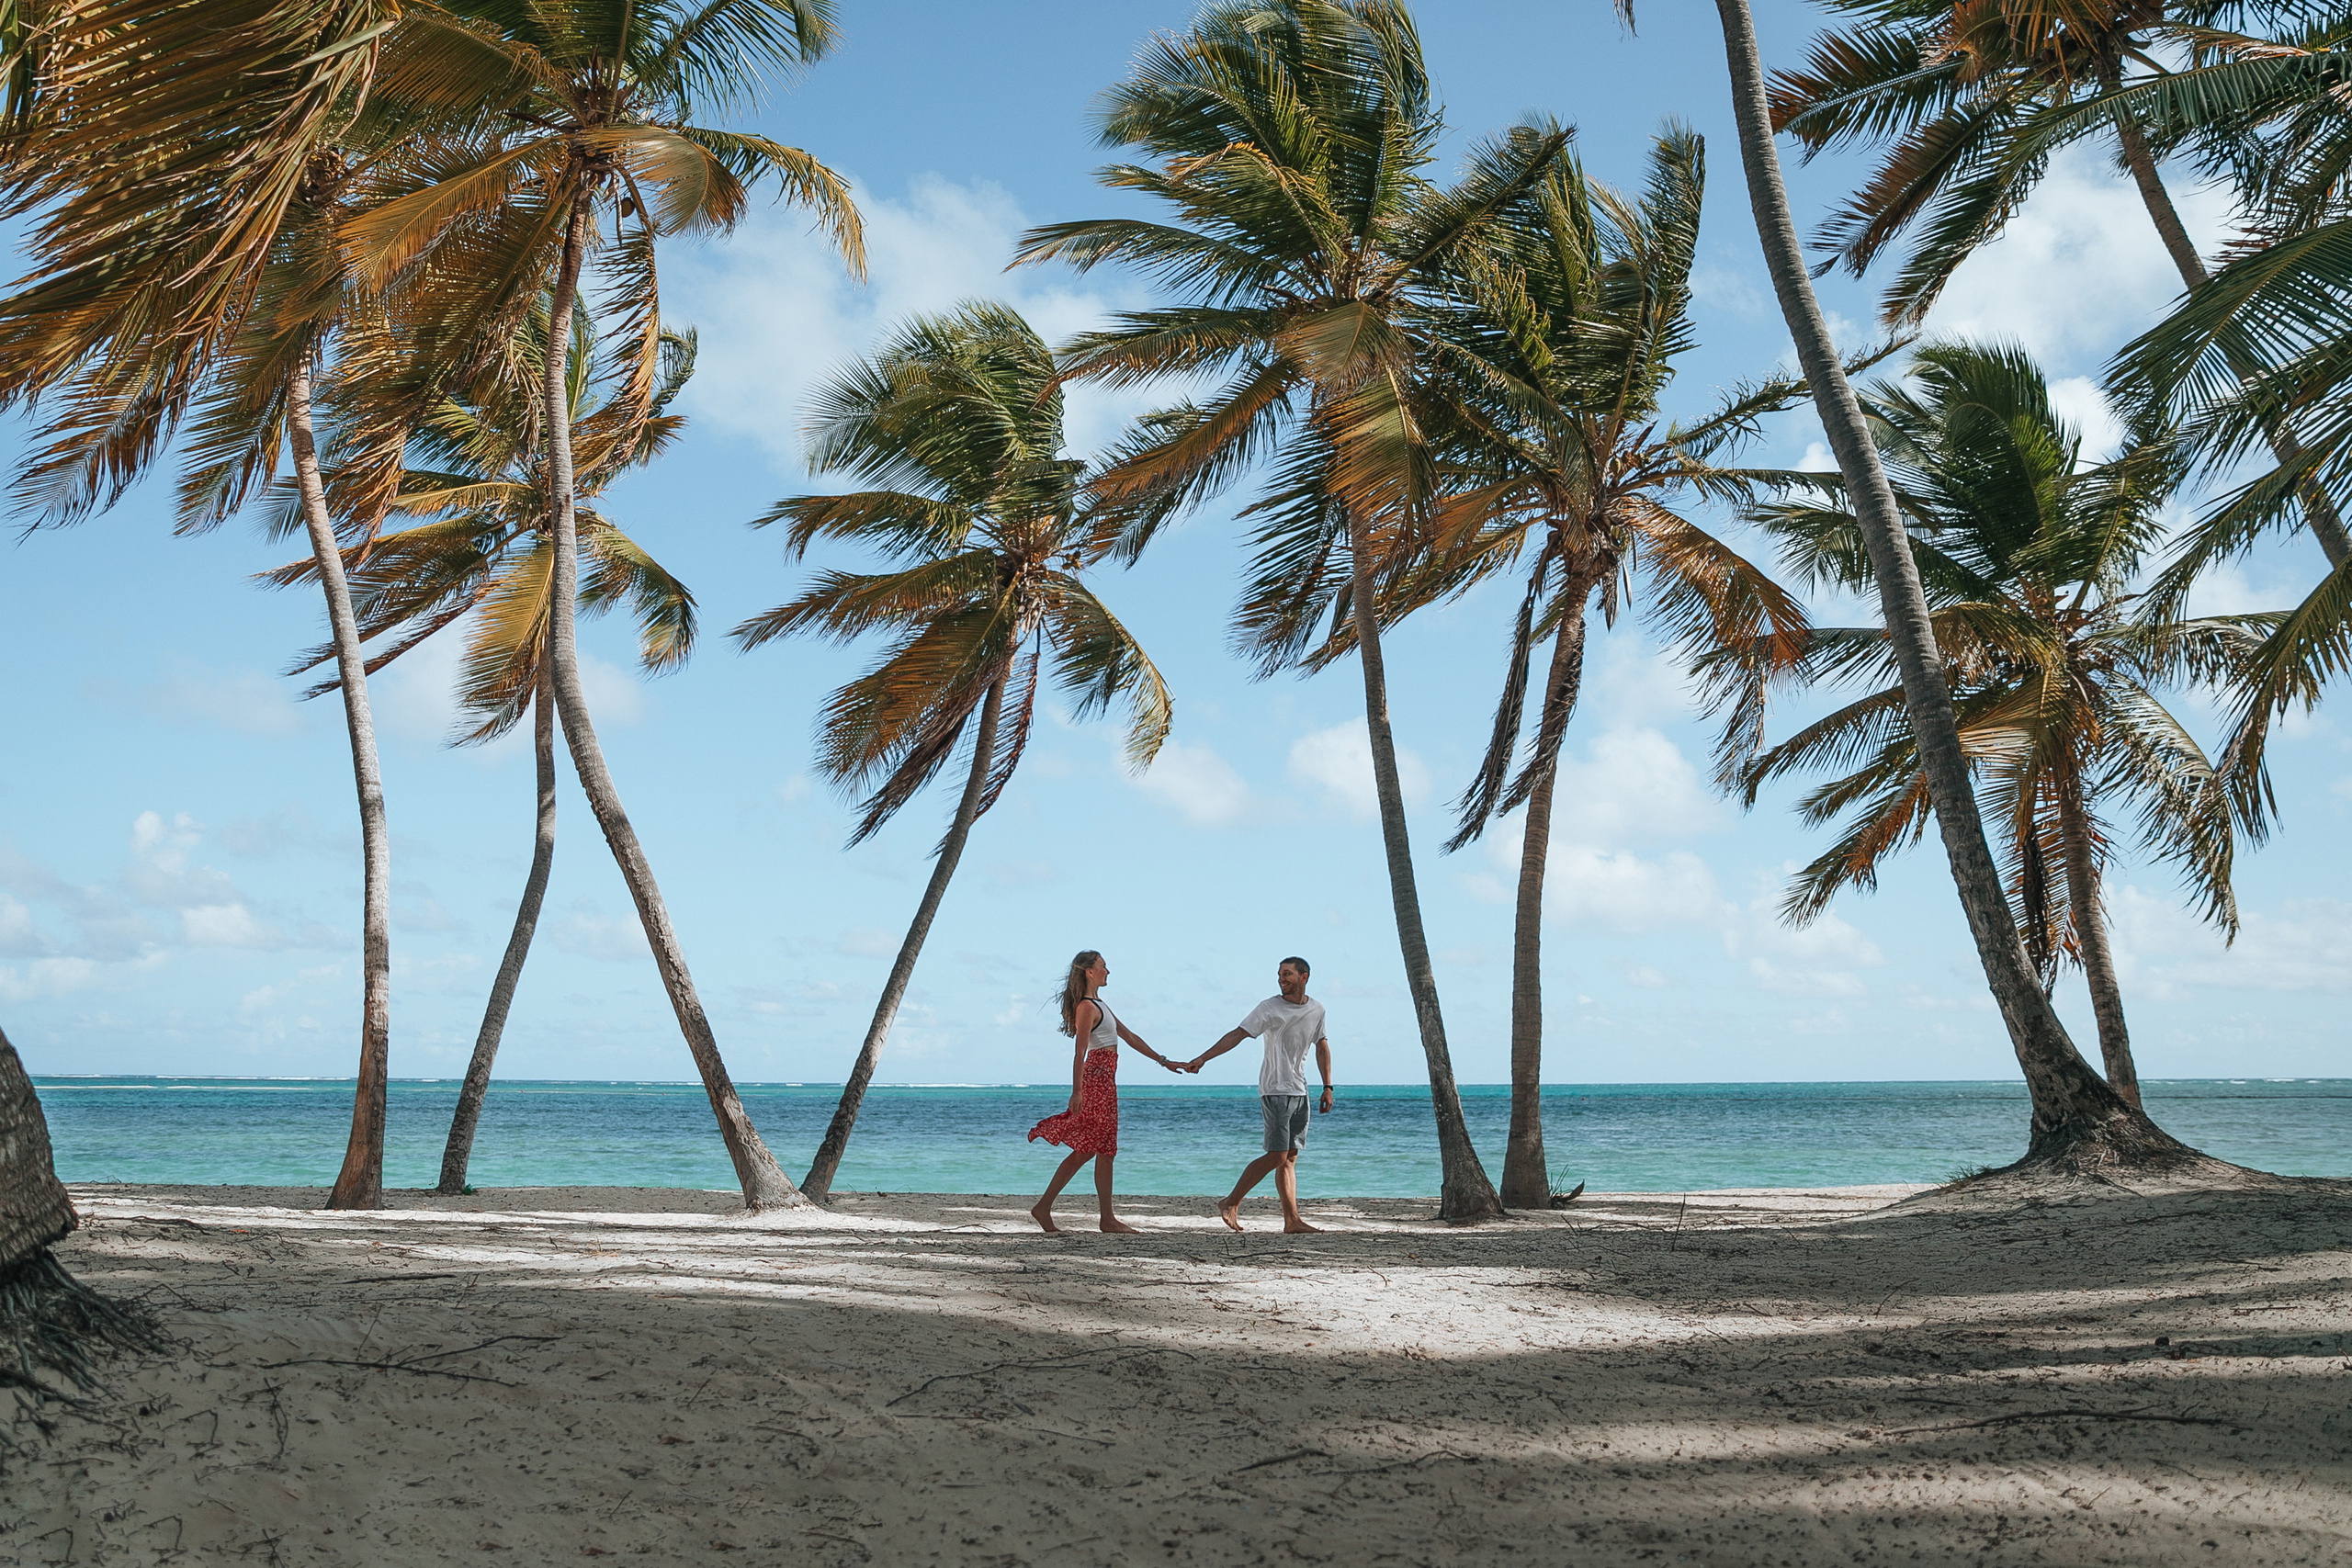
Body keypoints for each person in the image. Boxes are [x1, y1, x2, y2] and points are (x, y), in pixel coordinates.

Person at [1026, 949, 1182, 1233]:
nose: (1107, 971)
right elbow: (1079, 1053)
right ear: (1090, 971)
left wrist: (1164, 1061)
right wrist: (1077, 1093)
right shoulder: (1086, 1007)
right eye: (1103, 966)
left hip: (1105, 1081)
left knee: (1101, 1150)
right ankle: (1079, 1213)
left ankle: (1090, 1215)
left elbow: (1130, 1037)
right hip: (1095, 1082)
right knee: (1093, 1149)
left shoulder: (1100, 1004)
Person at [1182, 955, 1330, 1234]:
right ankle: (1230, 1201)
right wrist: (1203, 1058)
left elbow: (1321, 1046)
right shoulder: (1269, 1008)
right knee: (1277, 1155)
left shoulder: (1317, 1010)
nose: (1281, 979)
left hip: (1301, 1091)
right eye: (1279, 974)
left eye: (1287, 974)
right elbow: (1238, 1034)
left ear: (1304, 976)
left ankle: (1292, 1221)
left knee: (1290, 1158)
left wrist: (1327, 1086)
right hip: (1275, 1089)